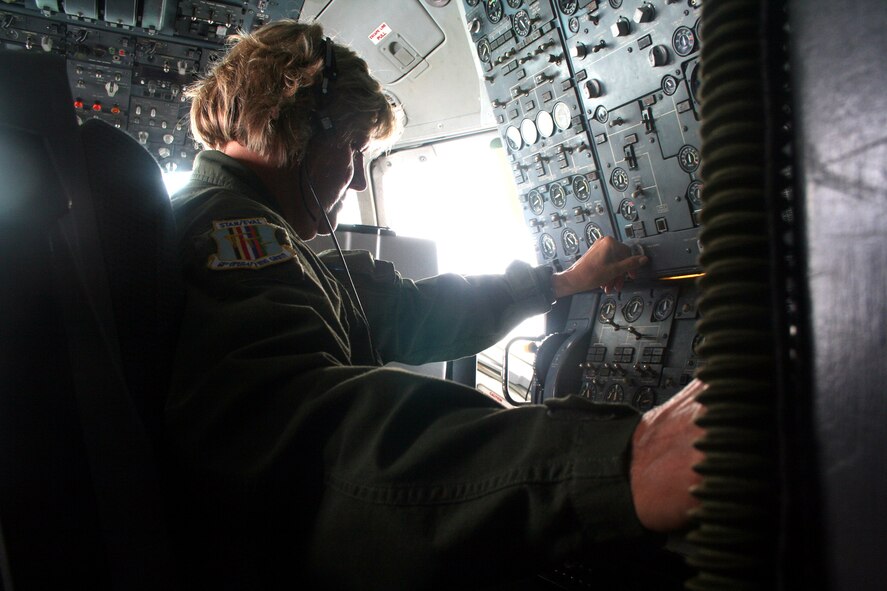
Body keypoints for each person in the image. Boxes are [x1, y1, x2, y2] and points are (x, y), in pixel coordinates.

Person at [165, 20, 705, 590]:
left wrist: (562, 282)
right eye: (352, 147)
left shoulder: (249, 234)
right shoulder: (231, 235)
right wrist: (620, 463)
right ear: (301, 128)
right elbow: (312, 448)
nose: (352, 182)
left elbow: (412, 311)